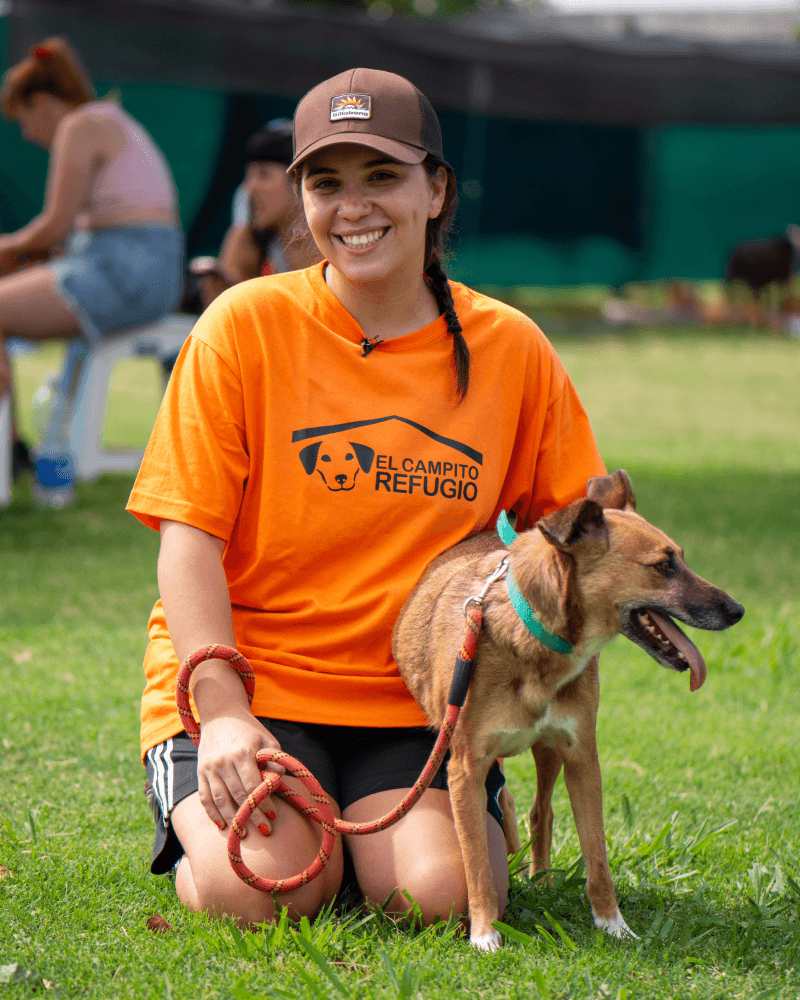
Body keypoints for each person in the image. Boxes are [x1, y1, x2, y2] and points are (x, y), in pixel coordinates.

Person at [127, 67, 606, 930]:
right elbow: (187, 537)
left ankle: (355, 843)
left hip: (417, 699)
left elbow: (566, 539)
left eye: (381, 176)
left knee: (443, 896)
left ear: (436, 187)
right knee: (260, 891)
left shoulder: (510, 348)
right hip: (255, 685)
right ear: (299, 199)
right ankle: (251, 833)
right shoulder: (242, 326)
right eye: (326, 182)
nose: (354, 207)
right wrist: (225, 715)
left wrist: (518, 678)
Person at [0, 37, 183, 465]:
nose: (27, 135)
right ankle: (13, 448)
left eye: (24, 118)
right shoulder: (109, 119)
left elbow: (52, 227)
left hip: (125, 271)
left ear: (43, 101)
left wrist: (8, 246)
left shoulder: (78, 125)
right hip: (147, 271)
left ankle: (10, 450)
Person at [187, 120, 318, 313]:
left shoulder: (332, 243)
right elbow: (223, 315)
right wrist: (220, 287)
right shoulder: (251, 240)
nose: (249, 188)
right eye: (248, 176)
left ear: (300, 182)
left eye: (263, 174)